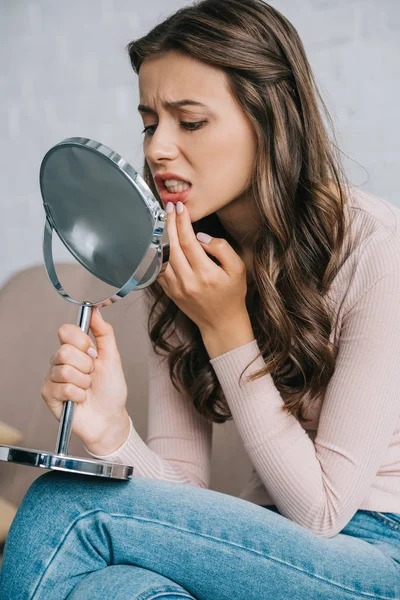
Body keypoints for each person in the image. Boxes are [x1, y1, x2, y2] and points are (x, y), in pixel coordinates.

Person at [1, 0, 400, 598]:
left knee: (69, 505)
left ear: (271, 121)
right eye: (149, 122)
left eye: (189, 122)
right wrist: (112, 430)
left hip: (372, 556)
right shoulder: (179, 258)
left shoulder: (374, 247)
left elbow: (323, 513)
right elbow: (177, 492)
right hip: (257, 540)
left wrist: (227, 327)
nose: (159, 148)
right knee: (118, 587)